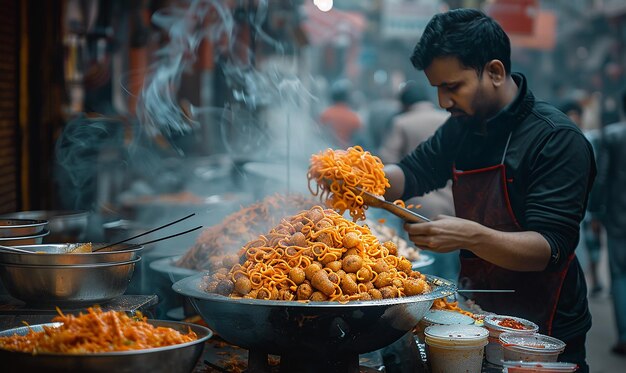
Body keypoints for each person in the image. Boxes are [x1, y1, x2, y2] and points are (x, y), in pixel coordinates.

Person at [382, 9, 595, 371]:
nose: (442, 102)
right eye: (437, 89)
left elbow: (550, 248)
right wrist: (359, 176)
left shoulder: (556, 139)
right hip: (478, 314)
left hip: (545, 331)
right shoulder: (462, 127)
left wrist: (469, 234)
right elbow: (412, 173)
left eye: (452, 87)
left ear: (495, 72)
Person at [379, 81, 459, 281]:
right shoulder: (450, 119)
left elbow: (386, 161)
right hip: (453, 206)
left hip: (416, 207)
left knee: (418, 270)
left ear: (404, 104)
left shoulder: (402, 122)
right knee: (450, 272)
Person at [587, 88, 626, 356]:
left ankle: (624, 336)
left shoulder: (612, 136)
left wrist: (596, 213)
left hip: (617, 218)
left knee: (620, 275)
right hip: (615, 217)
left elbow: (600, 180)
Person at [559, 99, 604, 297]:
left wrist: (595, 209)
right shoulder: (556, 144)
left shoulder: (589, 142)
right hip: (568, 206)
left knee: (592, 245)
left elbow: (597, 177)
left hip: (587, 206)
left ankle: (592, 280)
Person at [319, 79, 362, 147]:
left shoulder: (325, 114)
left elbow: (318, 133)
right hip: (347, 155)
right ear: (348, 97)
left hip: (326, 153)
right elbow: (360, 139)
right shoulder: (354, 118)